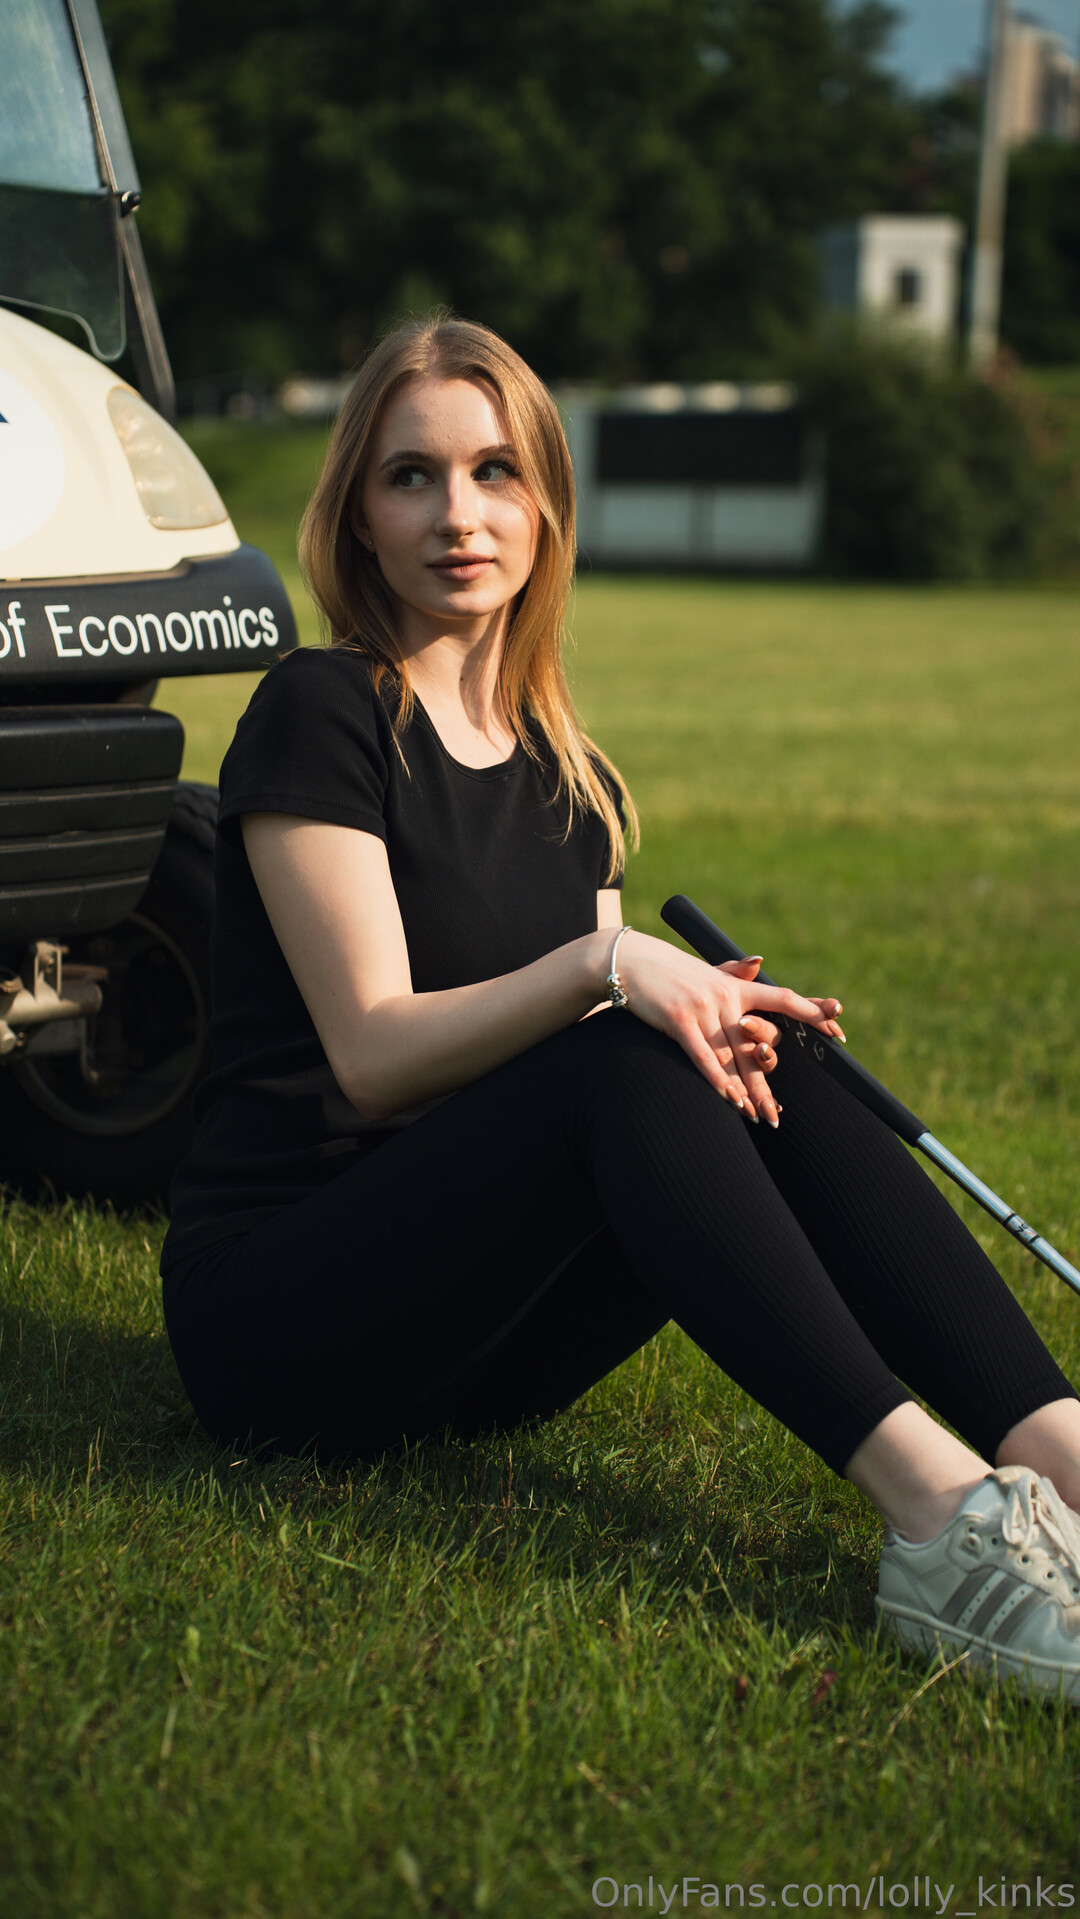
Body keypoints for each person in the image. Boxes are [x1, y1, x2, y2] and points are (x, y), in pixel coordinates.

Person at [161, 313, 1080, 1701]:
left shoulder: (565, 770)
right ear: (356, 512)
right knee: (623, 1054)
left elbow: (618, 1041)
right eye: (412, 476)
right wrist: (610, 969)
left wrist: (697, 1006)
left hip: (486, 1335)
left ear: (546, 505)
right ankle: (945, 1522)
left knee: (750, 1050)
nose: (458, 514)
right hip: (287, 1317)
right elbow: (373, 1056)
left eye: (495, 472)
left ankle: (1062, 1454)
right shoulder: (321, 709)